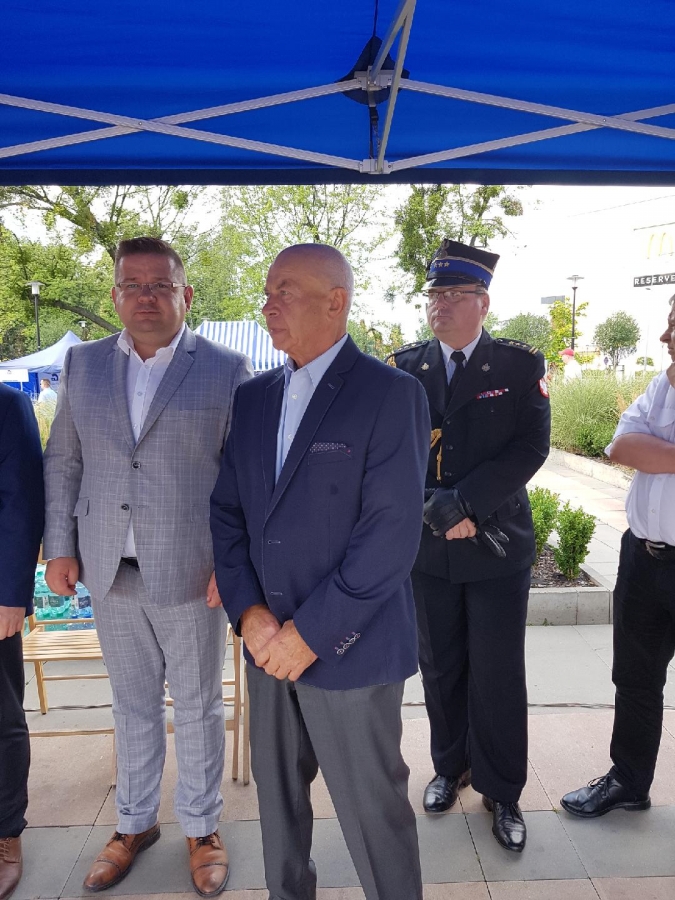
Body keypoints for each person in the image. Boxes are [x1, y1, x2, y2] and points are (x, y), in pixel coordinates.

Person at [210, 243, 430, 900]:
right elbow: (228, 513)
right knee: (278, 813)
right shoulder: (254, 398)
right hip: (265, 648)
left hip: (350, 649)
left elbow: (389, 536)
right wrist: (250, 616)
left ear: (336, 301)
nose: (267, 305)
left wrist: (307, 636)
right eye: (267, 292)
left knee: (373, 815)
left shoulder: (390, 394)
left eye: (285, 291)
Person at [43, 237, 253, 896]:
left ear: (185, 294)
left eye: (160, 285)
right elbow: (64, 460)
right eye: (131, 285)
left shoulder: (225, 368)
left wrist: (233, 564)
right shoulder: (81, 364)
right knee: (132, 704)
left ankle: (201, 827)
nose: (145, 296)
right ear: (114, 296)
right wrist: (59, 545)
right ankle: (134, 823)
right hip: (107, 568)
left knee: (197, 705)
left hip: (192, 572)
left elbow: (243, 477)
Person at [387, 239, 551, 853]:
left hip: (496, 544)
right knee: (440, 665)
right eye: (434, 295)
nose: (441, 305)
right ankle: (449, 766)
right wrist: (436, 509)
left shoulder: (517, 366)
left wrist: (466, 504)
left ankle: (503, 789)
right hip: (430, 546)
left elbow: (530, 447)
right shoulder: (405, 367)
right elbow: (392, 450)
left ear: (483, 302)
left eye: (455, 295)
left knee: (498, 671)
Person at [561, 297, 675, 818]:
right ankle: (629, 781)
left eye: (674, 326)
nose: (665, 337)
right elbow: (621, 447)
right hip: (644, 559)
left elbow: (642, 448)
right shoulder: (662, 386)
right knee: (634, 679)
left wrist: (658, 449)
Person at [0, 385, 44, 900]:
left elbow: (22, 502)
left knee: (2, 720)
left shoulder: (6, 406)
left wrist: (12, 594)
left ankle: (6, 832)